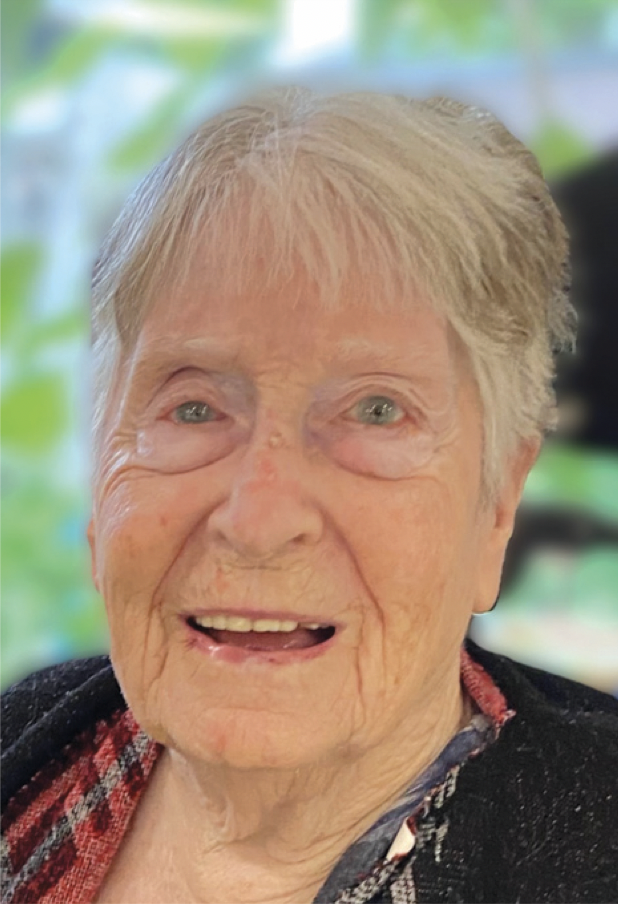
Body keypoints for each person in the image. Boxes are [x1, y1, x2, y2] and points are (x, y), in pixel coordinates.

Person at [2, 87, 617, 904]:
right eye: (193, 407)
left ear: (497, 502)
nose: (258, 521)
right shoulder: (27, 745)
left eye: (374, 411)